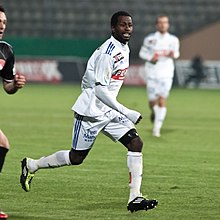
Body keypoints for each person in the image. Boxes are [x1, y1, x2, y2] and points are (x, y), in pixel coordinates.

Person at [20, 11, 158, 212]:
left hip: (108, 110)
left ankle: (134, 197)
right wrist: (126, 111)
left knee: (136, 143)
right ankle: (32, 165)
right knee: (76, 158)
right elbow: (100, 90)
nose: (127, 28)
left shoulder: (124, 48)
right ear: (113, 28)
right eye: (122, 25)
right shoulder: (107, 53)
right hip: (91, 111)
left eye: (130, 25)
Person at [0, 5, 26, 219]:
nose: (2, 26)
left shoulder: (6, 50)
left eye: (5, 22)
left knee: (2, 144)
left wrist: (16, 85)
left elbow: (7, 86)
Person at [139, 15, 180, 137]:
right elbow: (142, 53)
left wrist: (174, 54)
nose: (163, 25)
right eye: (161, 22)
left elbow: (177, 53)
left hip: (166, 73)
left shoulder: (173, 40)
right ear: (157, 25)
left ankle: (156, 129)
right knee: (152, 101)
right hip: (152, 73)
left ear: (168, 25)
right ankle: (154, 112)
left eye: (165, 22)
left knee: (162, 99)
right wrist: (150, 58)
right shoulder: (150, 39)